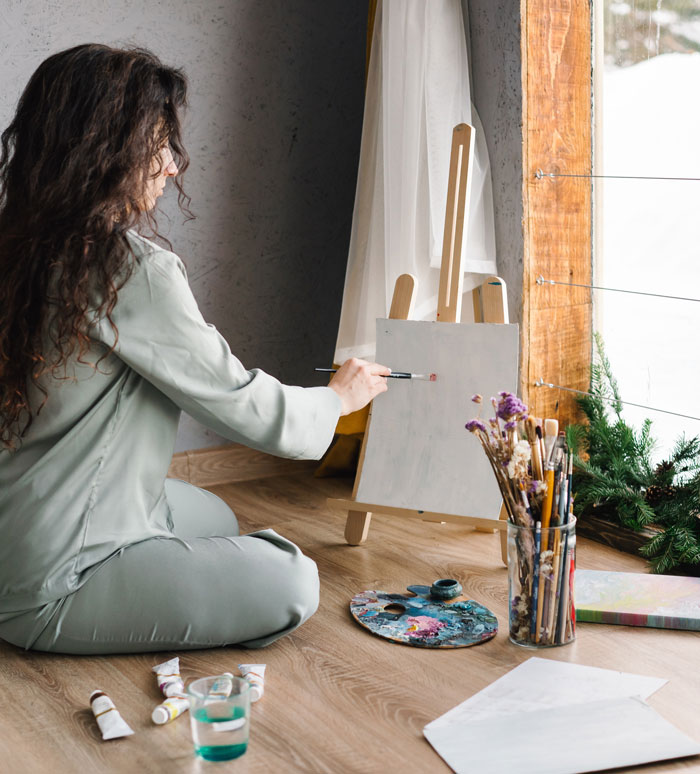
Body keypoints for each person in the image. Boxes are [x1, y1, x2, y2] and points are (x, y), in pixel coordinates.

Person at [0, 44, 389, 654]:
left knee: (215, 517)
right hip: (51, 578)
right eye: (158, 145)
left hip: (19, 520)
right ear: (106, 151)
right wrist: (338, 399)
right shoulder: (129, 270)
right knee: (293, 580)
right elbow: (238, 402)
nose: (171, 167)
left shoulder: (15, 244)